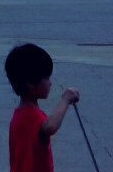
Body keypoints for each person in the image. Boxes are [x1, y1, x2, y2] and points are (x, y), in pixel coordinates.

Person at [5, 43, 79, 172]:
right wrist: (65, 99)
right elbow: (50, 126)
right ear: (31, 82)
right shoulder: (34, 117)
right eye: (46, 78)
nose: (50, 83)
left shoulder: (18, 116)